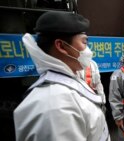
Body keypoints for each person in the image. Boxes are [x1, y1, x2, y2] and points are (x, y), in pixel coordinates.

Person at [14, 11, 110, 141]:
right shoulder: (55, 107)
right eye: (84, 42)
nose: (89, 51)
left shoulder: (68, 82)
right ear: (61, 46)